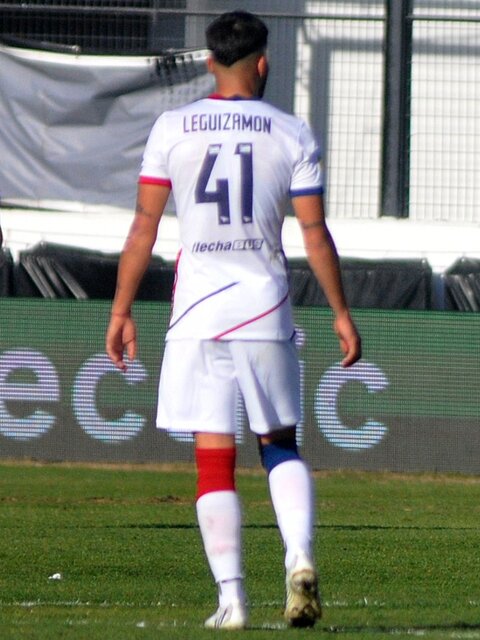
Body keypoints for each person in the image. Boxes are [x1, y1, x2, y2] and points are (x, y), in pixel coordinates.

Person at [105, 10, 361, 630]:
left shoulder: (173, 127)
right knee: (279, 443)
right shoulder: (292, 132)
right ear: (263, 62)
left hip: (198, 311)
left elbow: (144, 226)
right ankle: (299, 558)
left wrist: (120, 310)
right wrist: (341, 313)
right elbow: (314, 232)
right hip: (265, 307)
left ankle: (233, 599)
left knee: (212, 458)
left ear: (211, 63)